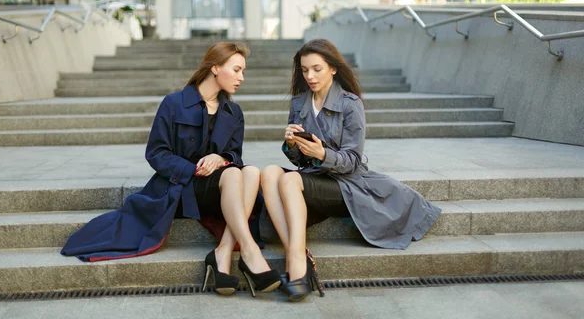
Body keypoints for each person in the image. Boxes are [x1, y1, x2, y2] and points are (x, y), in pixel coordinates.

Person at [61, 42, 281, 297]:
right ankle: (249, 251)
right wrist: (193, 169)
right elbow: (156, 153)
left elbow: (235, 156)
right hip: (181, 188)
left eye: (243, 71)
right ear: (215, 68)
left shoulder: (234, 111)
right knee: (235, 173)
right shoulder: (174, 103)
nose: (241, 77)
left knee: (252, 172)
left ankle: (223, 252)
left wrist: (219, 159)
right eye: (237, 69)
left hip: (218, 191)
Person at [261, 39, 442, 302]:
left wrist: (323, 154)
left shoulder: (350, 103)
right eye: (304, 70)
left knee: (289, 181)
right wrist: (291, 144)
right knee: (269, 173)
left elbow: (353, 161)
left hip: (346, 183)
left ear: (333, 68)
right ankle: (295, 251)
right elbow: (300, 162)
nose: (309, 76)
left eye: (317, 69)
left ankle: (296, 263)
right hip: (314, 177)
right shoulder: (300, 102)